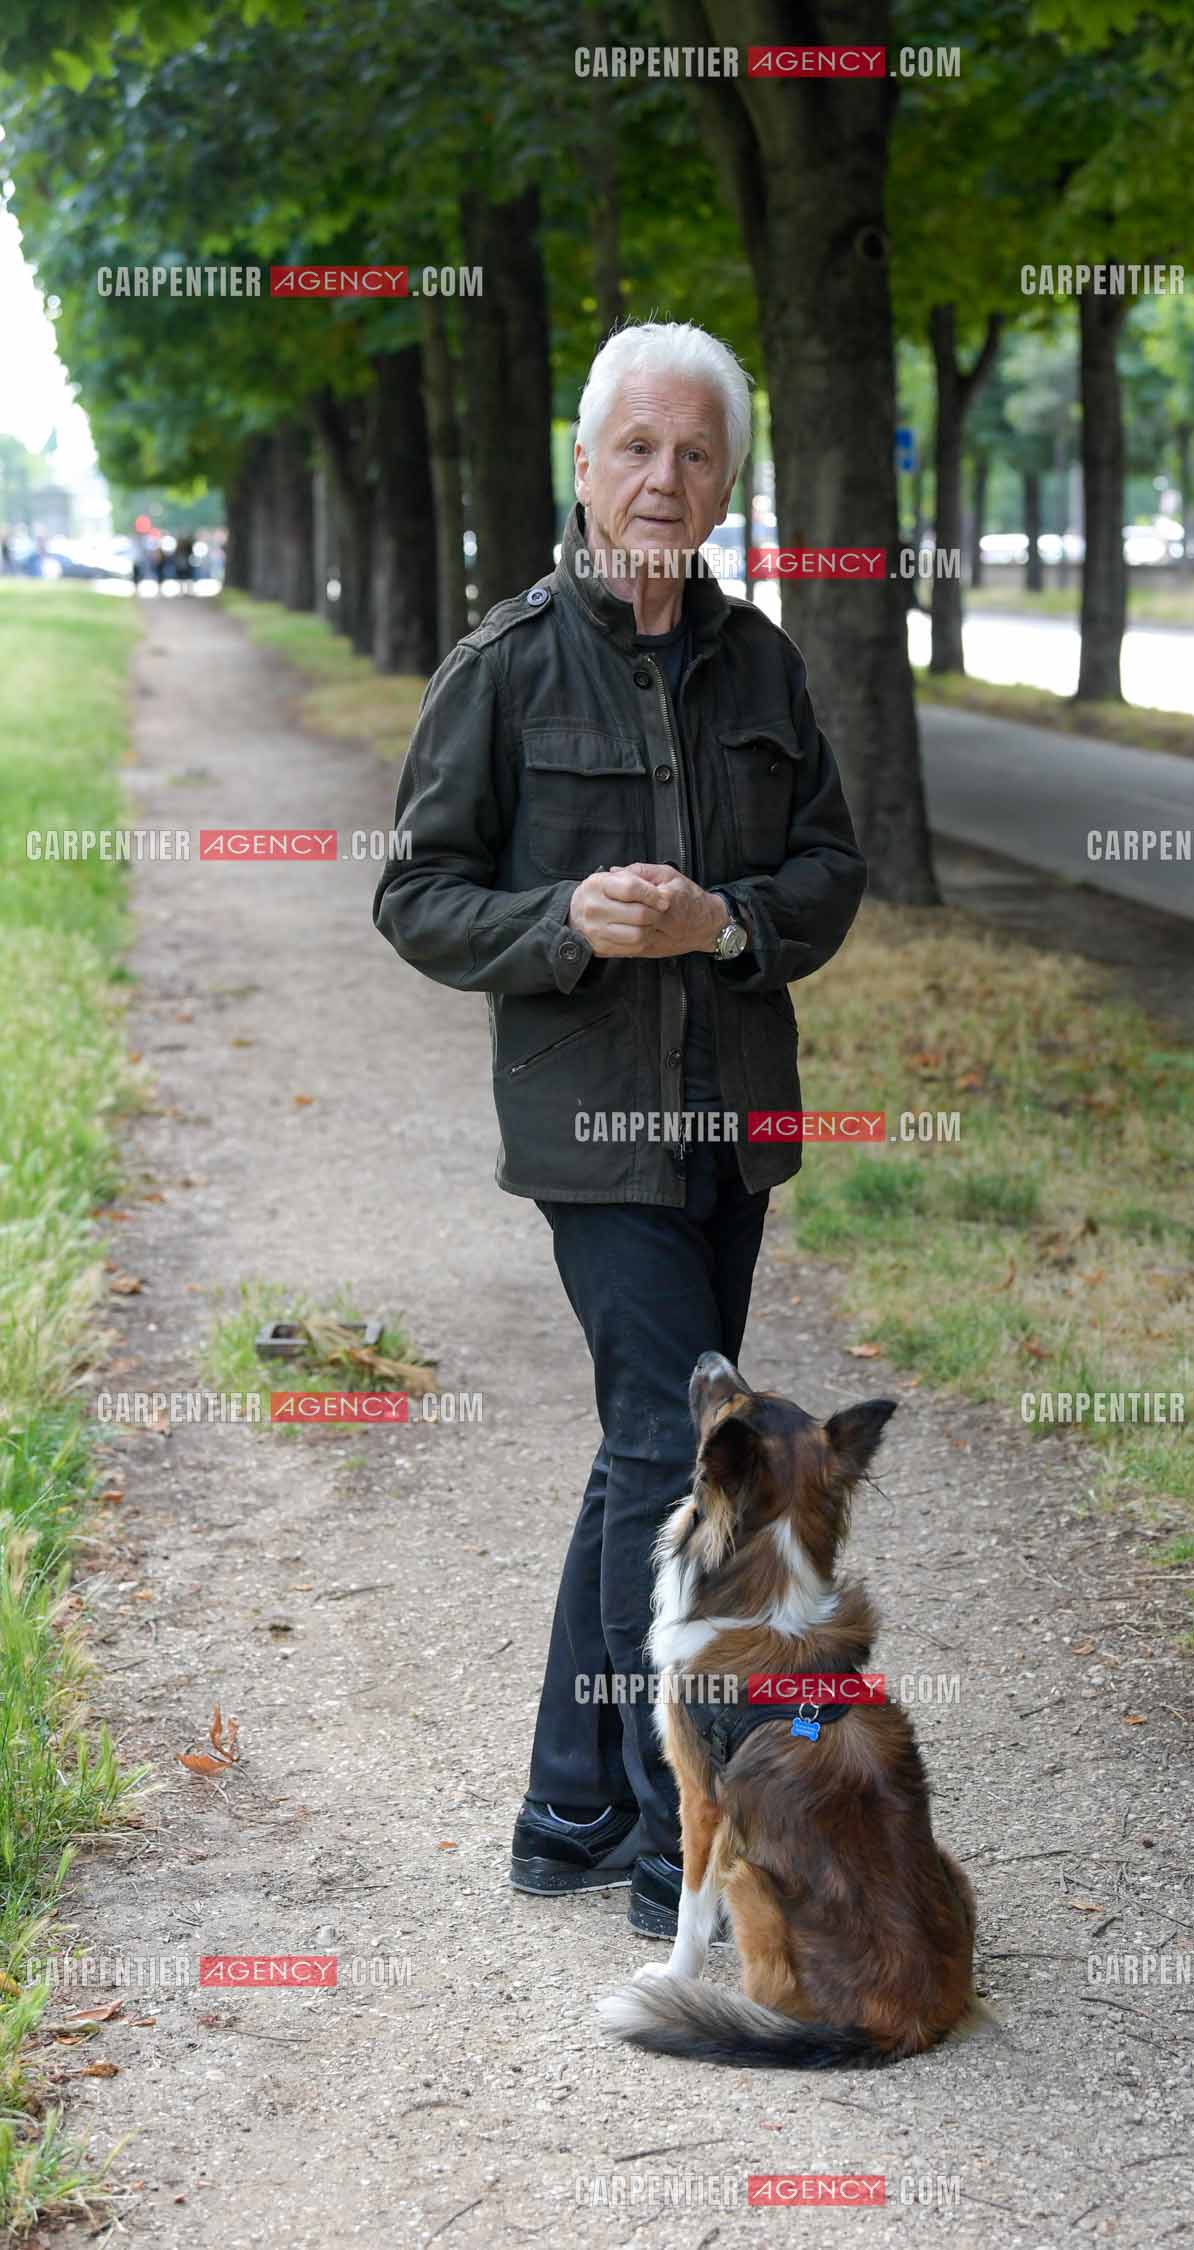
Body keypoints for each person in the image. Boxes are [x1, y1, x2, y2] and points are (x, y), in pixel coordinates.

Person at [373, 320, 866, 1941]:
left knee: (637, 1453)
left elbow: (830, 875)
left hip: (733, 1123)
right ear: (585, 465)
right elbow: (417, 895)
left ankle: (564, 1807)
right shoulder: (505, 665)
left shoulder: (763, 664)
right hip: (594, 1133)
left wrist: (727, 920)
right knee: (678, 1451)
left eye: (697, 452)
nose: (665, 477)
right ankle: (675, 1848)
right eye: (637, 447)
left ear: (727, 480)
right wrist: (564, 922)